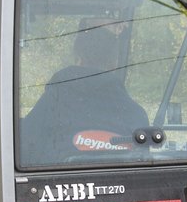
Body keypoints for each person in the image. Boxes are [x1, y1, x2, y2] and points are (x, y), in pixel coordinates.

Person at [20, 25, 149, 165]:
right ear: (115, 63)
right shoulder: (136, 115)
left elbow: (24, 150)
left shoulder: (51, 105)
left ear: (78, 57)